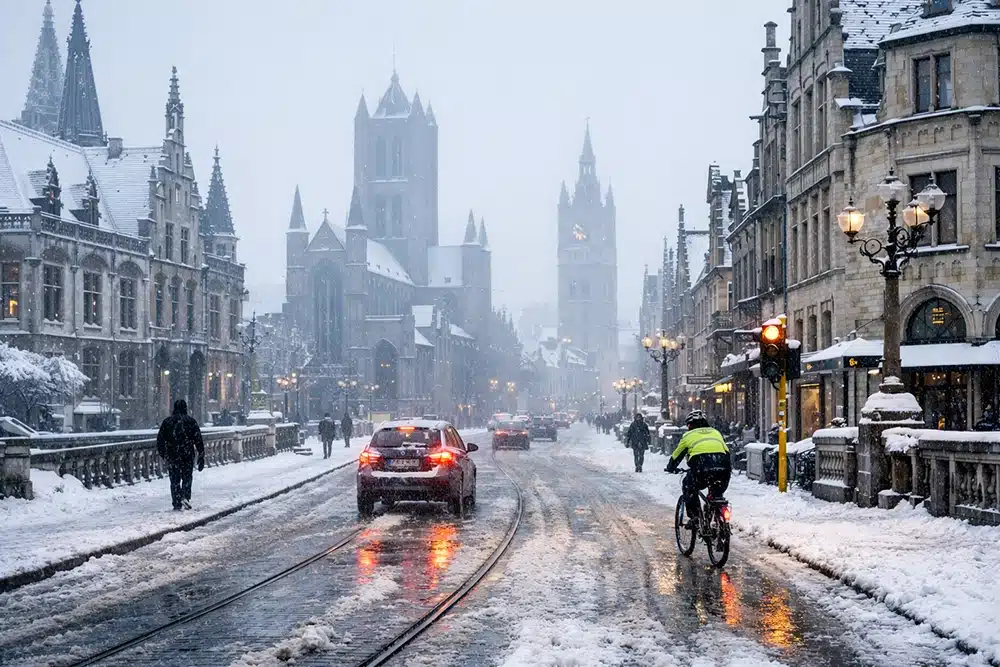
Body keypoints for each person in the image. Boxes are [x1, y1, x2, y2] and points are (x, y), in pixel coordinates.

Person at [666, 409, 731, 527]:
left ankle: (694, 516)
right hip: (723, 468)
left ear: (689, 425)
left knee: (688, 486)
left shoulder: (688, 436)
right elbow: (726, 452)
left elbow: (676, 455)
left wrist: (671, 467)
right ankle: (716, 512)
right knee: (716, 494)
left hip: (701, 468)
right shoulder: (716, 432)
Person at [156, 399, 205, 511]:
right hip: (187, 455)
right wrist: (201, 454)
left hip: (173, 456)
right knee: (187, 477)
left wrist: (164, 455)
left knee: (174, 480)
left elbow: (160, 441)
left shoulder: (167, 422)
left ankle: (177, 501)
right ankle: (185, 496)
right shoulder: (191, 421)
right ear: (185, 408)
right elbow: (198, 440)